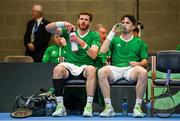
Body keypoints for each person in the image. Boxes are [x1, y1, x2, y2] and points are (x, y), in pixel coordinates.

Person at [45, 11, 100, 117]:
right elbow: (48, 28)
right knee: (57, 69)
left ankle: (88, 107)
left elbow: (93, 55)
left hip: (85, 66)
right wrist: (63, 23)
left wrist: (79, 41)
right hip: (70, 65)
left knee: (92, 70)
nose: (83, 22)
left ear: (90, 23)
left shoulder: (94, 35)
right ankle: (61, 107)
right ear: (78, 20)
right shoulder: (68, 31)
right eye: (81, 19)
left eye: (86, 20)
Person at [98, 15, 148, 117]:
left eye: (127, 23)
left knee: (143, 72)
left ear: (133, 26)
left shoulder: (140, 42)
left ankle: (137, 108)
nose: (124, 25)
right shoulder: (115, 40)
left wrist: (138, 63)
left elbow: (145, 61)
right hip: (115, 68)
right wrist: (112, 32)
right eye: (123, 22)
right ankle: (108, 107)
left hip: (131, 69)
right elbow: (102, 51)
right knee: (101, 71)